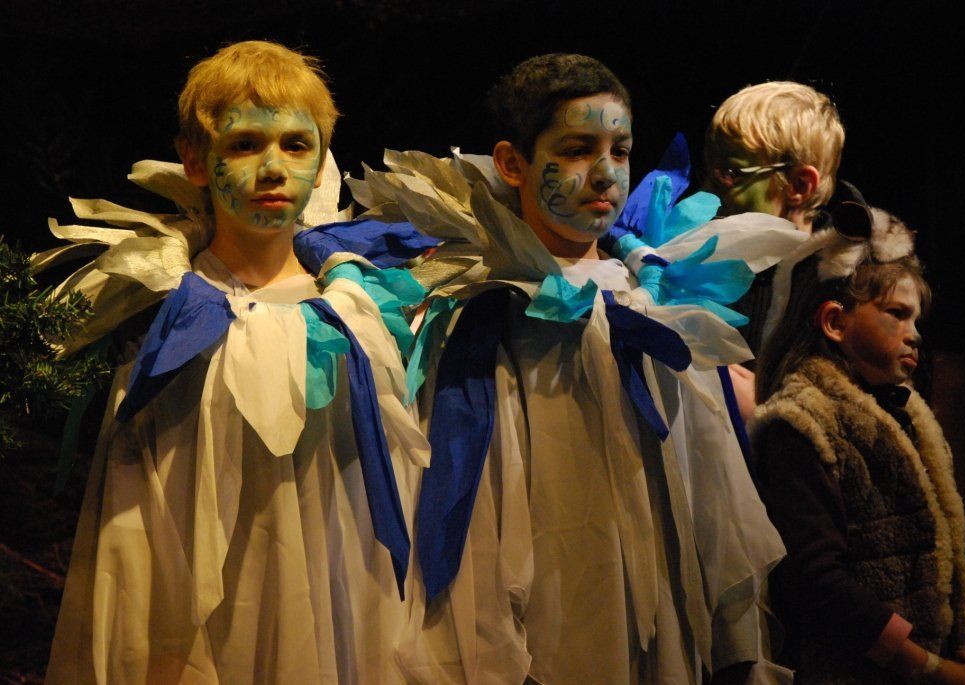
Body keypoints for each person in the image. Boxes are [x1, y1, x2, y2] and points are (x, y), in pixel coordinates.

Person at [349, 53, 790, 684]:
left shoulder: (657, 302)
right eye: (578, 150)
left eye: (620, 150)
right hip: (550, 599)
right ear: (512, 163)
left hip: (655, 594)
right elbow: (468, 492)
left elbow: (710, 482)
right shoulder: (485, 311)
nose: (606, 173)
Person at [42, 40, 429, 683]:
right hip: (204, 611)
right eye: (245, 144)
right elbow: (139, 504)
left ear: (321, 163)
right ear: (195, 160)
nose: (274, 168)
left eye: (296, 146)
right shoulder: (169, 321)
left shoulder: (362, 317)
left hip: (334, 599)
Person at [749, 202, 965, 684]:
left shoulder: (909, 416)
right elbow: (815, 580)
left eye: (917, 320)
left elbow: (953, 541)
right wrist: (922, 665)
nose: (915, 336)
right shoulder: (800, 423)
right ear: (835, 322)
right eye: (897, 315)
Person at [702, 81, 847, 420]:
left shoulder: (845, 289)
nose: (708, 189)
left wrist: (764, 414)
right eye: (710, 170)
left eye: (730, 173)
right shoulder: (706, 265)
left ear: (799, 185)